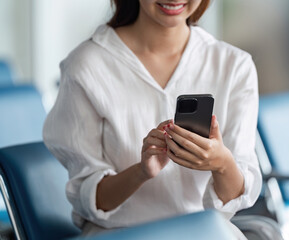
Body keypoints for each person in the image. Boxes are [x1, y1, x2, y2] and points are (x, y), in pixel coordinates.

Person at [43, 0, 262, 238]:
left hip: (204, 232)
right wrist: (141, 172)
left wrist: (221, 163)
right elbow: (90, 199)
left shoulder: (234, 66)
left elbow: (237, 196)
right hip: (122, 234)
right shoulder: (87, 66)